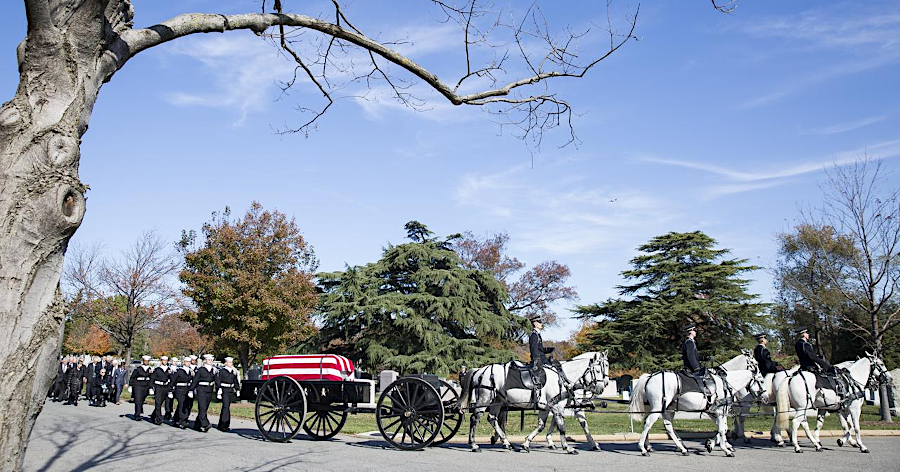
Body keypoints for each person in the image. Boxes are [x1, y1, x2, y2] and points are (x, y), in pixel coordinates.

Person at [681, 324, 712, 400]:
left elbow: (694, 357)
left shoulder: (691, 342)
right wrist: (696, 368)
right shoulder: (689, 342)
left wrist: (704, 358)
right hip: (691, 369)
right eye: (694, 330)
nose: (696, 332)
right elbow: (691, 357)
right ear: (690, 332)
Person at [190, 354, 218, 432]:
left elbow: (216, 380)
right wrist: (191, 390)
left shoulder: (213, 370)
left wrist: (219, 390)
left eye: (211, 360)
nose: (210, 361)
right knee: (202, 407)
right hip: (201, 389)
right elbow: (195, 380)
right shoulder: (201, 370)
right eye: (209, 360)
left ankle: (197, 425)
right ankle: (206, 424)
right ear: (205, 361)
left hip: (209, 389)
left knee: (205, 408)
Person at [216, 357, 241, 432]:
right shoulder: (222, 371)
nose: (231, 364)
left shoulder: (233, 371)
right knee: (225, 407)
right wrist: (219, 389)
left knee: (227, 407)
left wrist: (237, 390)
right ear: (226, 363)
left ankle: (224, 424)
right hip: (224, 389)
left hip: (230, 390)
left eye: (231, 362)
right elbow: (218, 380)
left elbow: (235, 381)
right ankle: (223, 425)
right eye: (229, 362)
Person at [128, 355, 153, 421]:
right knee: (138, 400)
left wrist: (151, 387)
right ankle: (137, 414)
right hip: (138, 385)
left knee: (142, 399)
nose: (146, 362)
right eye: (145, 361)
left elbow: (151, 379)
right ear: (143, 361)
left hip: (146, 385)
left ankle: (139, 410)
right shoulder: (138, 369)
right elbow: (133, 377)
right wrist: (130, 385)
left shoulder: (150, 369)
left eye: (147, 361)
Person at [172, 357, 194, 429]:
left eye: (189, 362)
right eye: (187, 362)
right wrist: (170, 390)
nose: (188, 363)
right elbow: (173, 380)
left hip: (187, 389)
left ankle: (175, 419)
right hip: (180, 389)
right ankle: (182, 420)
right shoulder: (179, 371)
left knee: (187, 405)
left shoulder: (191, 371)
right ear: (183, 362)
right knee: (182, 404)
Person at [150, 356, 171, 425]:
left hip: (166, 387)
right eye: (164, 360)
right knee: (158, 403)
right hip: (158, 386)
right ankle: (159, 419)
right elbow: (152, 378)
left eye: (166, 360)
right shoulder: (157, 369)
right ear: (161, 361)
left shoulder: (169, 369)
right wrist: (151, 388)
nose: (165, 362)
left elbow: (171, 379)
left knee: (161, 403)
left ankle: (153, 415)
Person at [164, 357, 179, 422]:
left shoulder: (178, 369)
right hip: (169, 385)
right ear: (171, 362)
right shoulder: (168, 368)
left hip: (176, 386)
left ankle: (174, 414)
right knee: (168, 400)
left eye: (176, 361)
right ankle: (168, 412)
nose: (174, 363)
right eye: (173, 361)